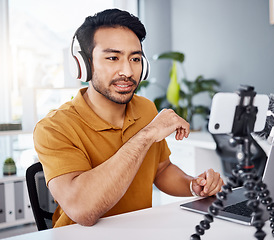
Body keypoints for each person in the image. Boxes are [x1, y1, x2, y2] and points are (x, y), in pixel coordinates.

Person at [33, 8, 224, 228]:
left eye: (135, 58)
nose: (127, 70)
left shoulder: (145, 108)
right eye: (113, 57)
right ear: (84, 64)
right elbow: (83, 210)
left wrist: (193, 185)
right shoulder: (54, 127)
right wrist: (147, 135)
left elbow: (161, 170)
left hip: (139, 231)